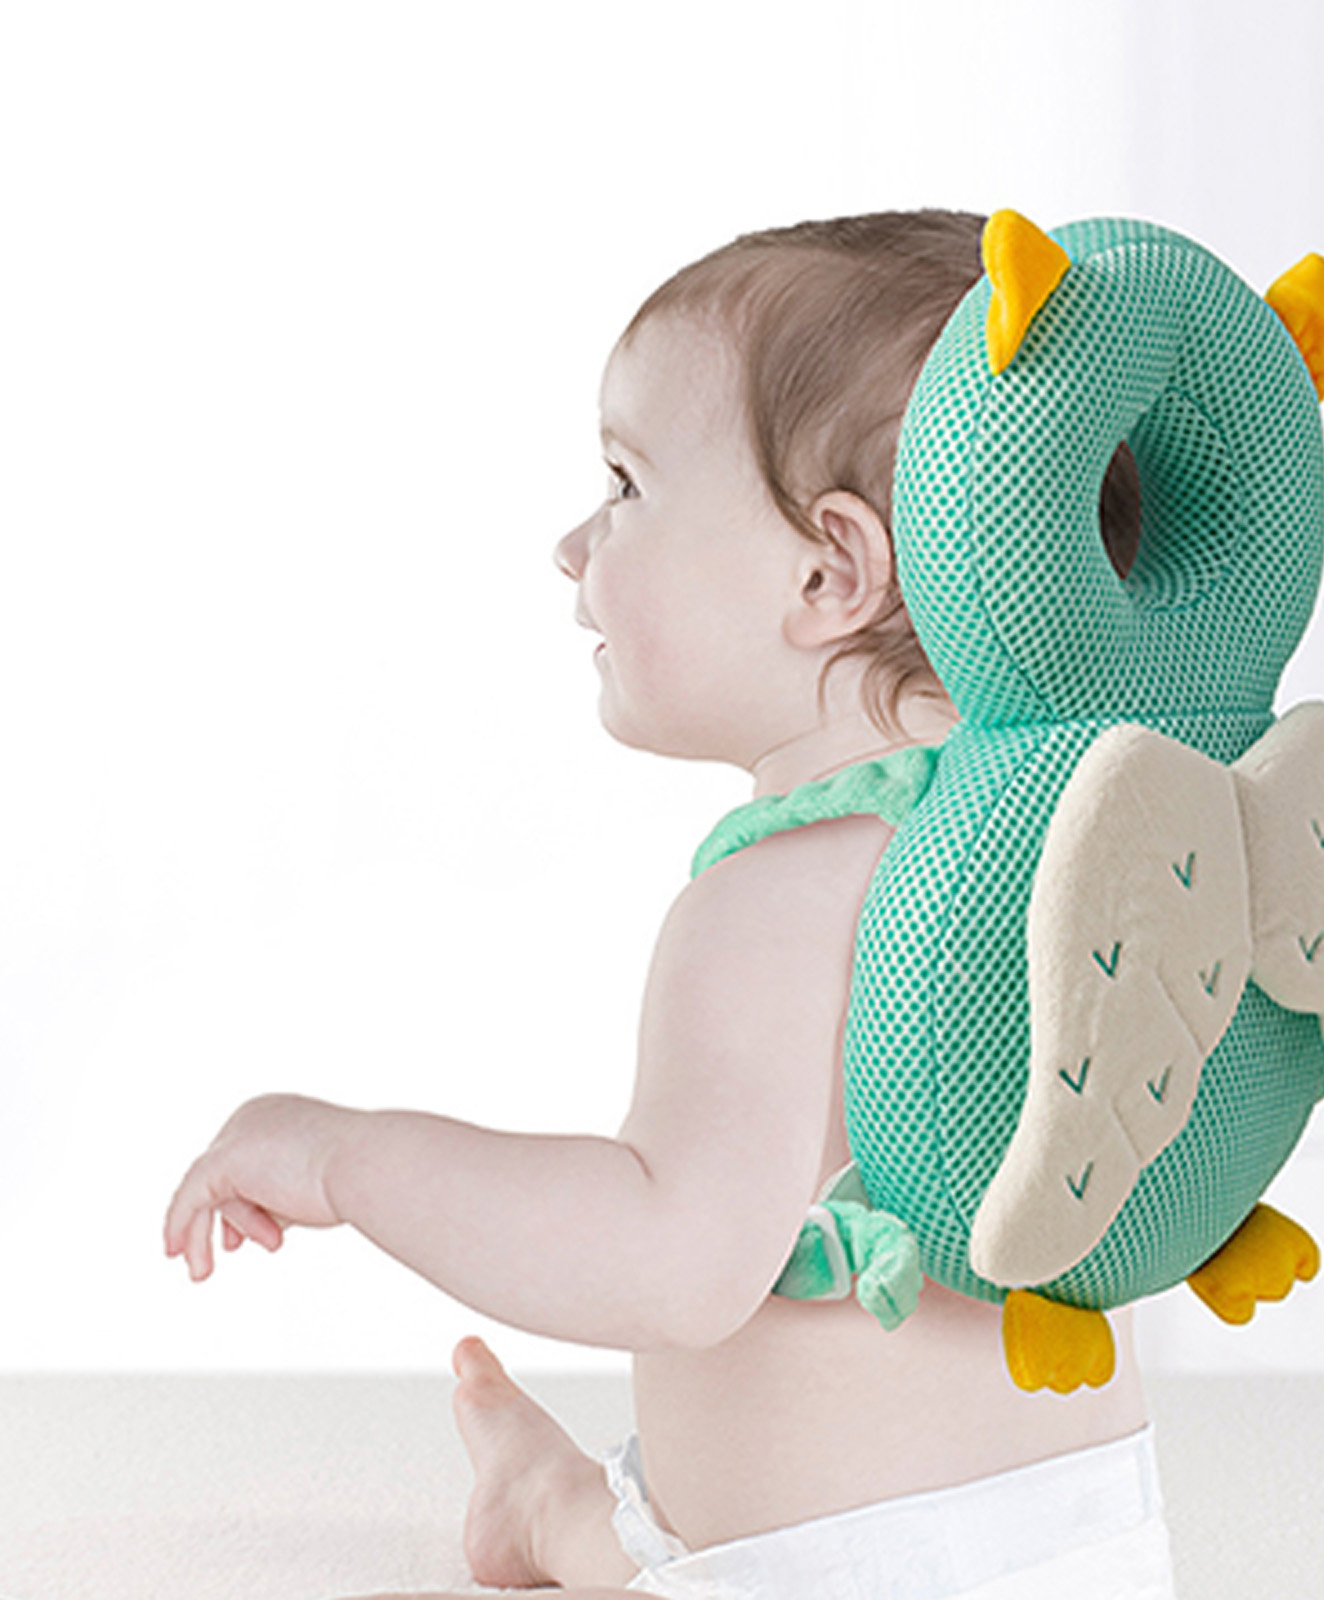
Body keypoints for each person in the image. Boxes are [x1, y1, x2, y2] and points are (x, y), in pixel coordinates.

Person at [164, 210, 1175, 1599]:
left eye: (624, 482)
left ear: (829, 572)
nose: (572, 543)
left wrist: (349, 1158)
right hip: (1100, 1538)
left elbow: (671, 1260)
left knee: (671, 1555)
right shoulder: (1078, 850)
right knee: (652, 1532)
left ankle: (558, 1512)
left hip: (818, 1575)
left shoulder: (776, 898)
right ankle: (551, 1503)